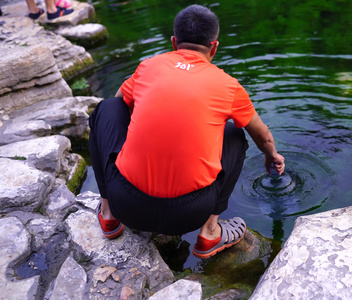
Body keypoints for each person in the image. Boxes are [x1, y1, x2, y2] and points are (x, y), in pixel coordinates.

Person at [89, 4, 285, 259]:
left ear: (174, 42)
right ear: (214, 47)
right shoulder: (228, 86)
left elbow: (120, 105)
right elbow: (263, 135)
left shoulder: (149, 66)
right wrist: (272, 155)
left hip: (126, 204)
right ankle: (210, 231)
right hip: (191, 214)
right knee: (236, 133)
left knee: (107, 108)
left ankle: (109, 216)